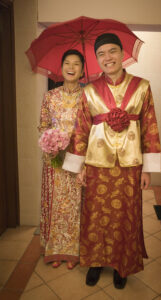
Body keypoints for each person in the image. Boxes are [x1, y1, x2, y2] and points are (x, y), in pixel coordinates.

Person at [62, 33, 161, 288]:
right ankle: (95, 262)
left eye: (112, 51)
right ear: (97, 59)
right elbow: (81, 128)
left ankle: (122, 266)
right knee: (96, 215)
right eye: (101, 54)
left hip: (130, 165)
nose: (108, 57)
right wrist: (79, 166)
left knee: (126, 217)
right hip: (97, 164)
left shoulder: (142, 86)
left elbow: (150, 127)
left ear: (122, 54)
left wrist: (147, 170)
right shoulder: (91, 90)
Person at [38, 49, 84, 269]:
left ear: (82, 70)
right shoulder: (50, 96)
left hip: (77, 160)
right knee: (56, 204)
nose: (71, 67)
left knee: (75, 205)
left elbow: (91, 130)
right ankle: (55, 250)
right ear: (61, 67)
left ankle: (73, 251)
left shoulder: (88, 97)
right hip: (54, 161)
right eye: (67, 63)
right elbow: (43, 126)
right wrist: (50, 144)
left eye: (76, 64)